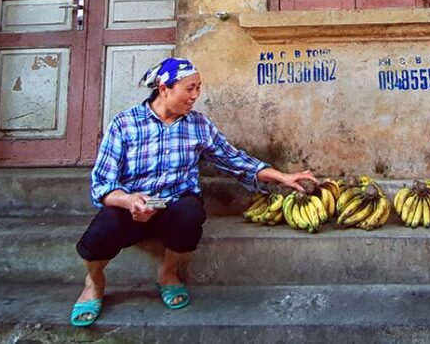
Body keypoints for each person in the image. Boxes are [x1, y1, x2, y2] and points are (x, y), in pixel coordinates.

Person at [70, 57, 315, 326]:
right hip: (132, 207)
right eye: (189, 89)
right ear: (164, 89)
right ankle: (94, 281)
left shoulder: (198, 125)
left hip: (175, 204)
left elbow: (235, 160)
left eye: (198, 88)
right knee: (100, 233)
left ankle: (168, 272)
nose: (195, 96)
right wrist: (129, 200)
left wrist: (282, 177)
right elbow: (102, 184)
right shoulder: (125, 124)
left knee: (190, 215)